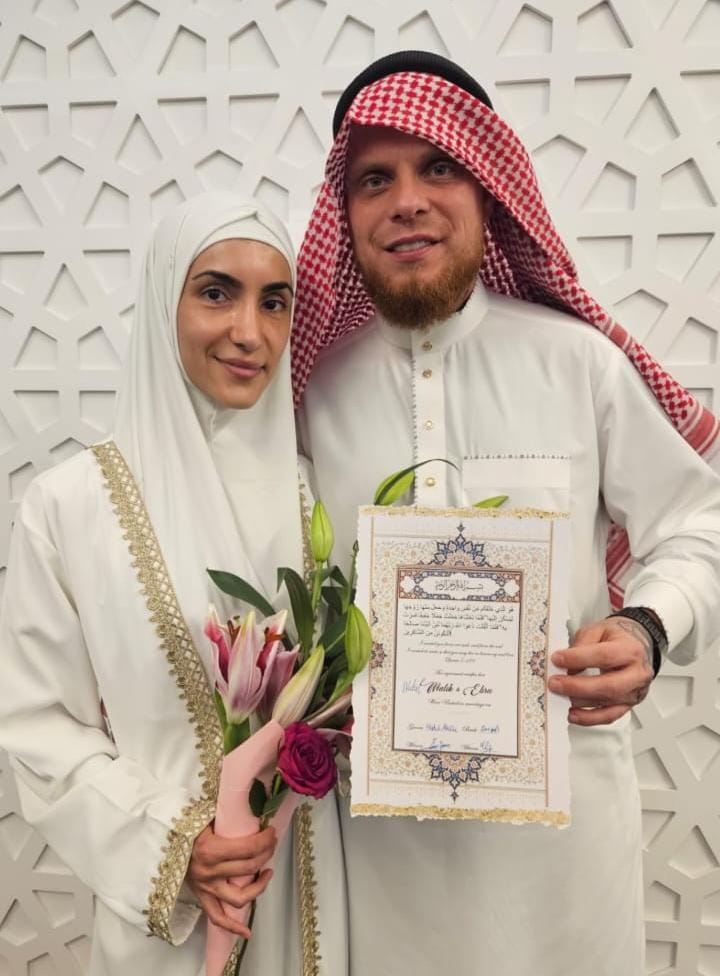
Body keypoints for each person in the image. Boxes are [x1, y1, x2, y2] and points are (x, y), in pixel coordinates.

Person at [293, 51, 720, 975]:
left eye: (438, 166)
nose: (407, 200)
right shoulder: (307, 394)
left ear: (489, 190)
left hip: (563, 862)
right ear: (344, 213)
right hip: (377, 858)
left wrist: (648, 626)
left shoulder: (579, 365)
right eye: (374, 179)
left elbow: (699, 521)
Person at [0, 193, 346, 976]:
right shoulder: (71, 506)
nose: (249, 332)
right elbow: (37, 726)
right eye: (216, 292)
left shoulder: (319, 493)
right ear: (165, 300)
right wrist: (175, 843)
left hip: (313, 904)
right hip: (169, 929)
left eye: (274, 301)